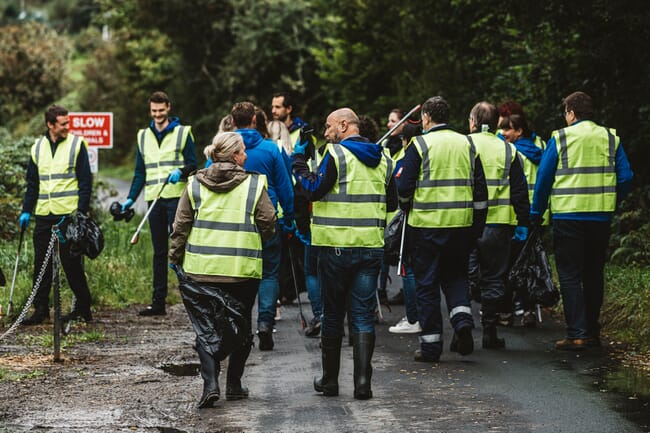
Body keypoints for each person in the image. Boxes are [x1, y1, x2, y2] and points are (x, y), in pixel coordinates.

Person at [292, 107, 397, 399]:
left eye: (328, 127)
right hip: (370, 248)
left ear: (343, 125)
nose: (326, 133)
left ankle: (330, 380)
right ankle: (363, 384)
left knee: (333, 315)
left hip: (336, 248)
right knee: (362, 315)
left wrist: (298, 162)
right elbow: (391, 204)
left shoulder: (336, 155)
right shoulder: (384, 159)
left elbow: (313, 189)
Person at [169, 132, 277, 408]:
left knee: (206, 326)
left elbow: (180, 226)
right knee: (240, 325)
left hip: (201, 270)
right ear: (233, 156)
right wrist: (252, 240)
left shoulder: (194, 183)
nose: (246, 156)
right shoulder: (253, 185)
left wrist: (175, 256)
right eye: (242, 151)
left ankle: (210, 384)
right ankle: (234, 384)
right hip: (241, 270)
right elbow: (268, 221)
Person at [531, 91, 633, 351]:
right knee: (593, 272)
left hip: (569, 216)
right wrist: (610, 199)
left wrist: (536, 213)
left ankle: (577, 333)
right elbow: (626, 177)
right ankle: (592, 331)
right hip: (600, 215)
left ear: (571, 113)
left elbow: (543, 179)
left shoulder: (561, 138)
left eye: (566, 112)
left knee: (570, 273)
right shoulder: (610, 137)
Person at [397, 96, 488, 362]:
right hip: (461, 225)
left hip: (425, 226)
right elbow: (480, 190)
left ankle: (430, 346)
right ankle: (462, 324)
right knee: (456, 277)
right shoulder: (467, 144)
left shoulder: (420, 144)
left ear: (425, 117)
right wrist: (476, 225)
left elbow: (404, 187)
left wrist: (405, 207)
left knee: (426, 284)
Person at [121, 91, 197, 316]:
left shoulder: (183, 133)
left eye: (161, 110)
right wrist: (130, 199)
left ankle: (192, 299)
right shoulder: (143, 136)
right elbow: (139, 173)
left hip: (177, 199)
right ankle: (158, 302)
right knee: (159, 252)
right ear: (150, 110)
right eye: (154, 111)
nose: (157, 115)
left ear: (169, 108)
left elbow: (194, 164)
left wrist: (181, 171)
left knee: (181, 249)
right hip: (154, 199)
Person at [19, 105, 93, 325]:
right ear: (50, 125)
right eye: (63, 123)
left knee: (72, 265)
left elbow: (85, 181)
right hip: (44, 214)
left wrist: (81, 212)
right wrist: (26, 210)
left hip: (67, 216)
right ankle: (40, 309)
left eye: (68, 122)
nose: (67, 127)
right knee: (40, 264)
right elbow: (32, 183)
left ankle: (83, 307)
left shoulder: (76, 145)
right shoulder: (37, 147)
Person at [232, 101, 295, 350]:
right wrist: (289, 219)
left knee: (239, 273)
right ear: (256, 121)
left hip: (236, 220)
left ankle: (242, 325)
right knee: (269, 273)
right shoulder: (270, 149)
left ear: (232, 121)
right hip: (269, 221)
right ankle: (265, 324)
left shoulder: (224, 149)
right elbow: (285, 188)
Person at [467, 101, 529, 349]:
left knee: (465, 275)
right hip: (500, 224)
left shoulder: (465, 145)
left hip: (467, 223)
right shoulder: (508, 150)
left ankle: (463, 324)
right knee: (495, 278)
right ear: (496, 124)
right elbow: (519, 191)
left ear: (473, 122)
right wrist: (524, 222)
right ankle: (489, 331)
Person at [499, 111, 547, 326]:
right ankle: (527, 310)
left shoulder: (510, 151)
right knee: (529, 264)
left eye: (507, 129)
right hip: (539, 214)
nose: (503, 133)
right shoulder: (542, 145)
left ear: (519, 130)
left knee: (510, 265)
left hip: (515, 216)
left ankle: (507, 311)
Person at [387, 122, 422, 334]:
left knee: (408, 269)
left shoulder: (405, 158)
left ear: (404, 140)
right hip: (435, 219)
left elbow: (401, 188)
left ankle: (413, 318)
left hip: (409, 220)